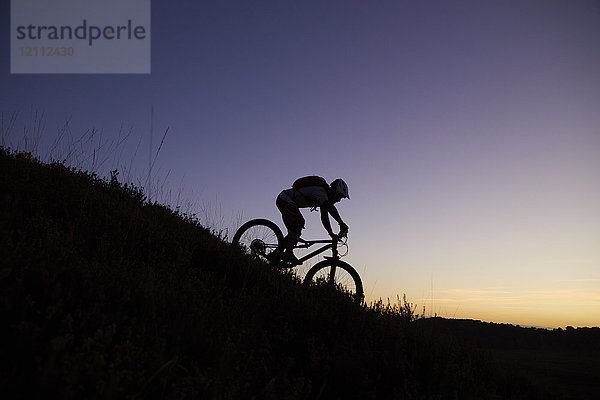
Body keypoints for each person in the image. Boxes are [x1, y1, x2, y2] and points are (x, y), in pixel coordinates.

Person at [276, 177, 349, 264]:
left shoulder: (323, 198)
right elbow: (330, 208)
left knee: (295, 233)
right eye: (339, 196)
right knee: (299, 222)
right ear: (335, 191)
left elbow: (324, 218)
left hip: (286, 200)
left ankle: (276, 254)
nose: (339, 200)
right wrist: (341, 223)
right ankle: (288, 253)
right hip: (284, 199)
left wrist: (331, 233)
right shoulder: (321, 192)